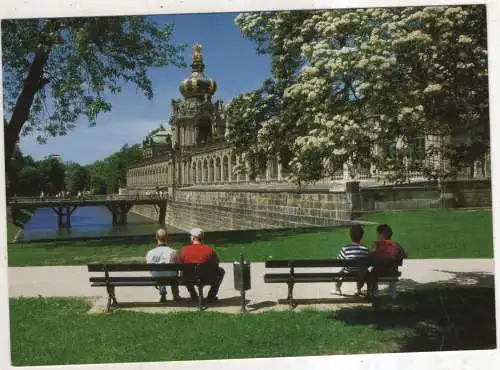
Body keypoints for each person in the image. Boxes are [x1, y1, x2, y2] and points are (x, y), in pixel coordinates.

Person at [179, 228, 225, 303]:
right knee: (221, 271)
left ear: (193, 238)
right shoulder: (209, 249)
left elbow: (180, 264)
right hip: (208, 278)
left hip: (189, 278)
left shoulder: (185, 250)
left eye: (190, 236)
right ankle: (211, 296)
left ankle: (194, 296)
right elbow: (216, 263)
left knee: (184, 272)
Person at [366, 224, 407, 299]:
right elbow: (404, 255)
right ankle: (392, 294)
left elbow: (370, 258)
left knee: (371, 272)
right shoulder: (396, 245)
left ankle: (374, 292)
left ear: (381, 235)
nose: (377, 236)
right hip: (393, 272)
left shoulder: (376, 245)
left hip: (378, 272)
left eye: (378, 234)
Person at [146, 228, 181, 303]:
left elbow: (150, 268)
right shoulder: (173, 252)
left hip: (157, 278)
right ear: (167, 237)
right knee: (173, 273)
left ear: (156, 237)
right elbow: (178, 266)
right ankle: (176, 295)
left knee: (159, 273)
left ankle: (162, 293)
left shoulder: (150, 253)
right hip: (171, 278)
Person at [332, 224, 369, 296]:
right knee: (364, 271)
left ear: (351, 236)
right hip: (360, 273)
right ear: (361, 236)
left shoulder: (346, 248)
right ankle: (358, 289)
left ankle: (337, 288)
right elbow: (368, 262)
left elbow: (339, 262)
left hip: (348, 272)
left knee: (341, 270)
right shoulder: (365, 249)